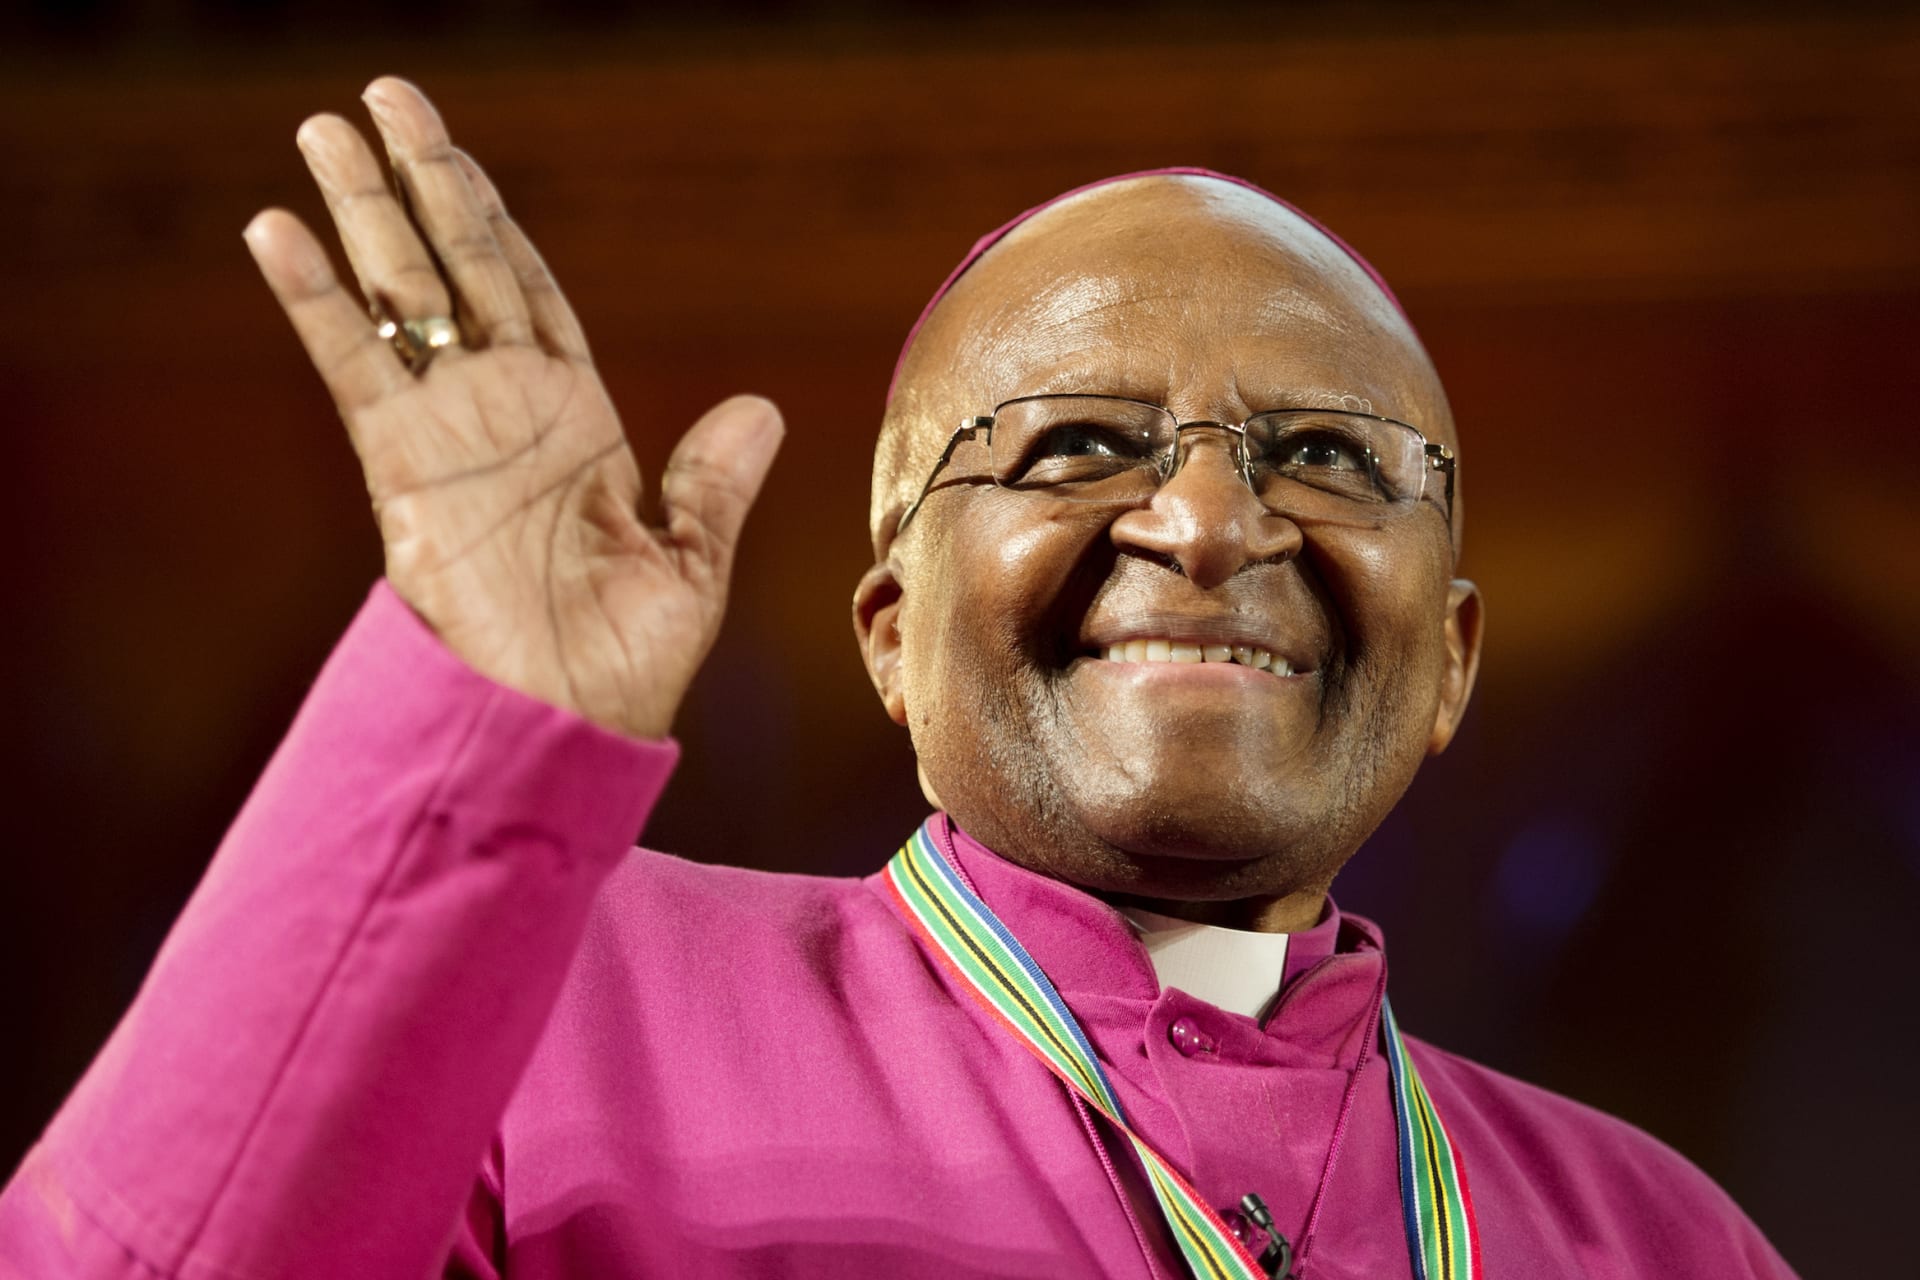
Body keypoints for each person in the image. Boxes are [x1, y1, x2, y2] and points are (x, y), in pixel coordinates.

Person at [0, 77, 1794, 1279]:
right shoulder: (544, 1005)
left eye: (1327, 456)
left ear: (1453, 654)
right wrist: (476, 715)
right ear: (889, 633)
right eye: (1080, 439)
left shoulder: (1653, 1233)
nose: (1208, 519)